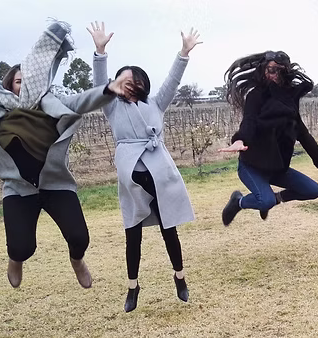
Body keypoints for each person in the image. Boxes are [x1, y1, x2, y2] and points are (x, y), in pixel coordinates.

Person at [0, 21, 131, 289]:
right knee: (22, 246)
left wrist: (108, 89)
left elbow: (83, 101)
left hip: (55, 183)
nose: (24, 85)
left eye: (28, 80)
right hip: (18, 188)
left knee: (80, 238)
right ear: (9, 86)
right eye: (19, 81)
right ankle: (16, 259)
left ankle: (77, 261)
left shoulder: (52, 104)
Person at [88, 22, 201, 312]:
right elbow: (99, 85)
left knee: (169, 230)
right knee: (133, 236)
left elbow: (172, 81)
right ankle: (132, 287)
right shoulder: (112, 107)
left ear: (142, 82)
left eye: (133, 80)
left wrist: (183, 53)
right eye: (122, 81)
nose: (128, 85)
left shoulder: (156, 103)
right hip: (132, 180)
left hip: (159, 176)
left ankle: (180, 278)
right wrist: (100, 52)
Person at [218, 51, 318, 226]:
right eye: (270, 69)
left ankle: (274, 198)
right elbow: (249, 121)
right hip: (252, 166)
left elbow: (302, 133)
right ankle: (238, 201)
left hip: (277, 168)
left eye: (278, 70)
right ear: (263, 69)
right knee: (265, 201)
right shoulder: (256, 95)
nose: (272, 74)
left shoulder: (289, 100)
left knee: (313, 190)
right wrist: (240, 140)